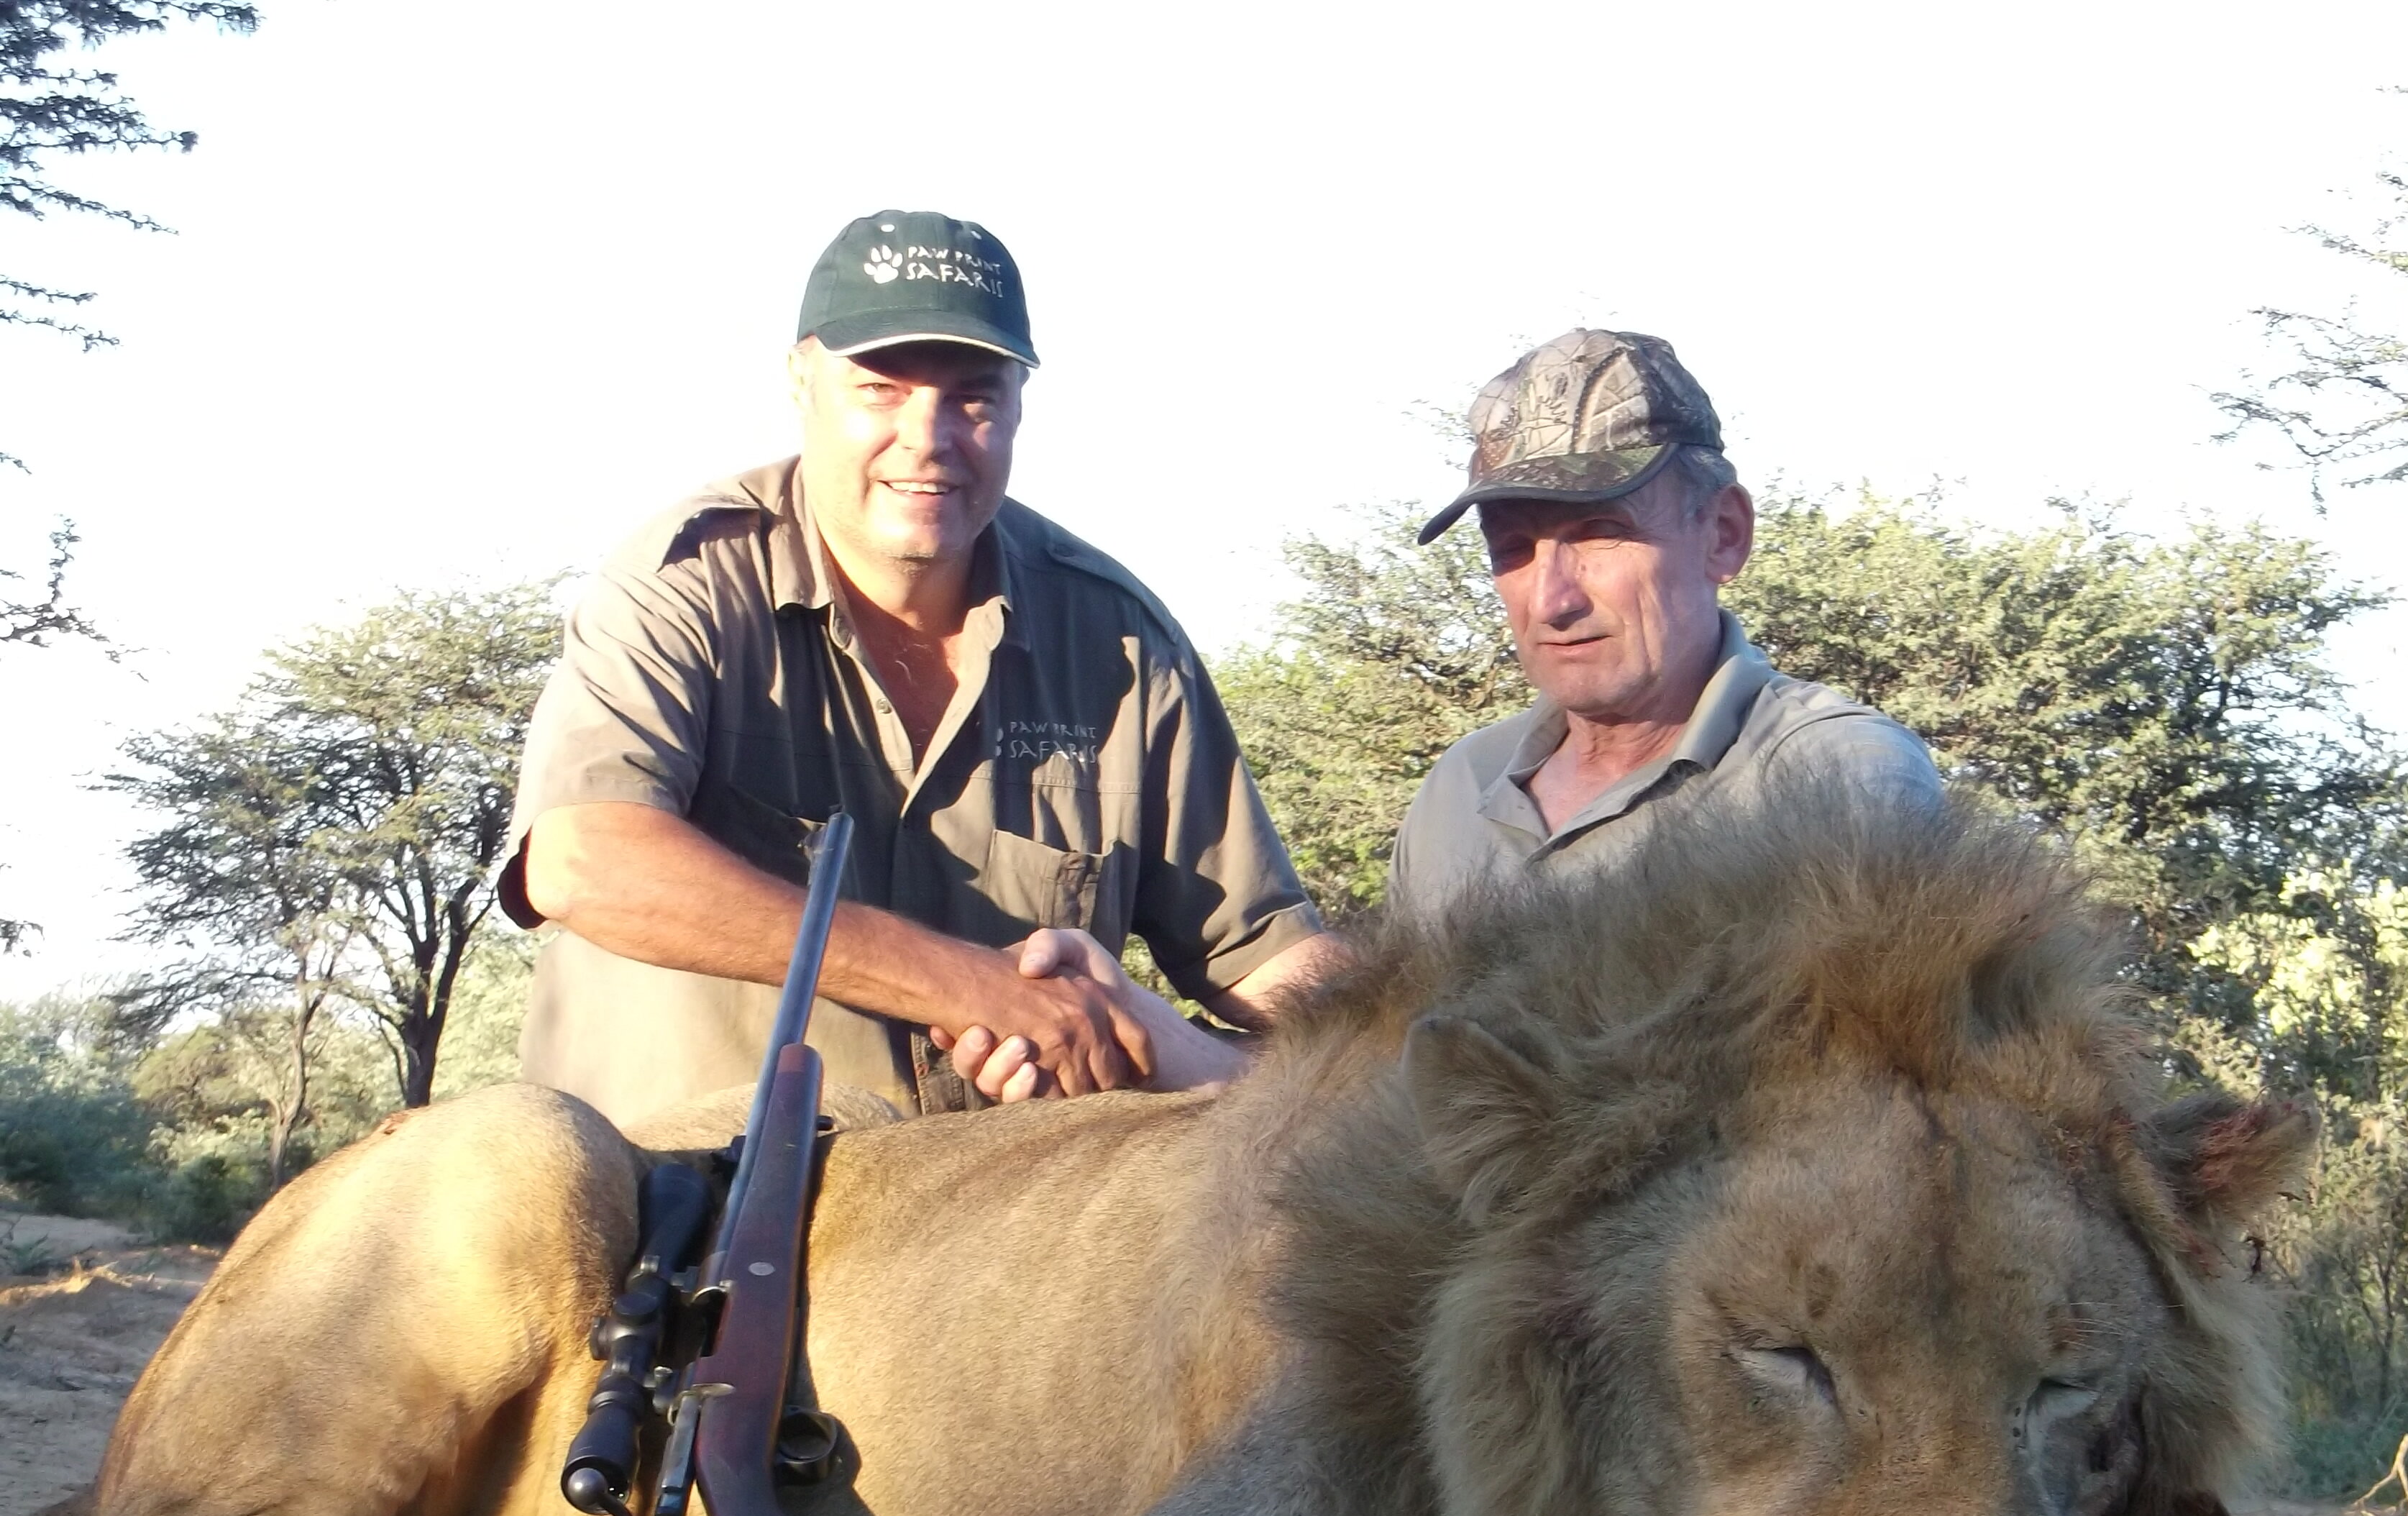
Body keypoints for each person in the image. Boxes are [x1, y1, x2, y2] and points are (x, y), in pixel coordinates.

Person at [500, 209, 1337, 1131]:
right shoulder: (687, 581)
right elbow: (583, 862)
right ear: (801, 380)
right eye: (882, 389)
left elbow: (1262, 957)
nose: (928, 437)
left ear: (1020, 399)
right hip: (675, 1227)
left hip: (991, 1238)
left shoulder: (1120, 638)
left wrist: (1391, 1051)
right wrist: (979, 989)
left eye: (974, 396)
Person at [1387, 329, 1943, 915]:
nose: (1552, 601)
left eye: (1601, 533)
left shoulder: (1838, 775)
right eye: (1513, 548)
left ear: (1724, 535)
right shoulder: (1460, 784)